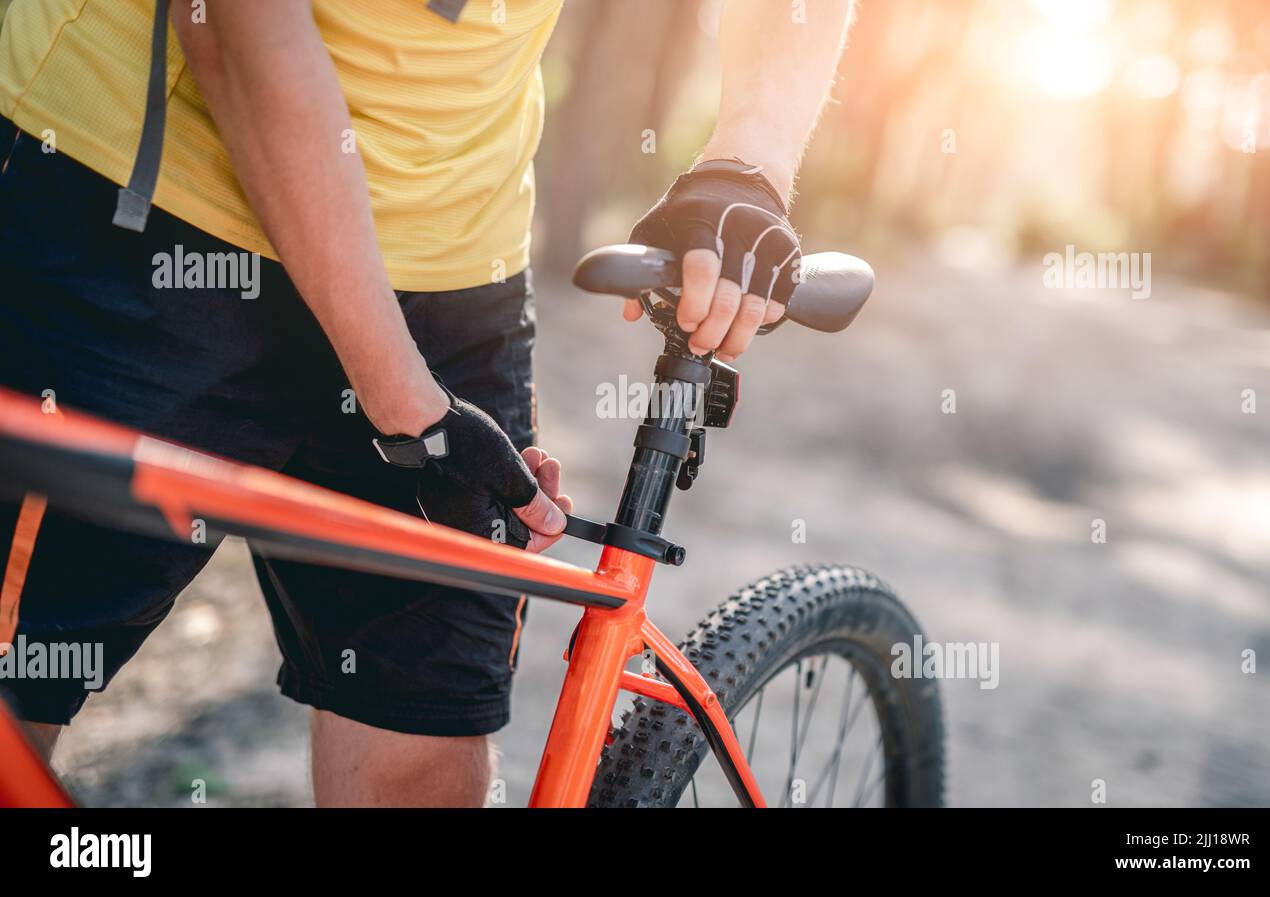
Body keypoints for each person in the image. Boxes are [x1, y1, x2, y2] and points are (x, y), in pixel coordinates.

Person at [0, 0, 852, 806]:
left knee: (426, 748)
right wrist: (407, 404)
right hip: (135, 211)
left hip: (450, 267)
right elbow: (233, 25)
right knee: (15, 702)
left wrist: (749, 165)